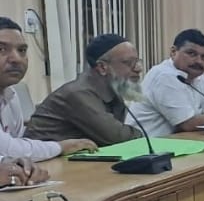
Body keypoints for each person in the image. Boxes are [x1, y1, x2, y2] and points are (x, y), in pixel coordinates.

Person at [0, 17, 96, 159]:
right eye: (1, 49)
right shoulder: (77, 93)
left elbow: (16, 149)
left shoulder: (11, 95)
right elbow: (10, 150)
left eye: (22, 50)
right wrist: (61, 147)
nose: (16, 59)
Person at [25, 33, 144, 146]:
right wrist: (141, 134)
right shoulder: (77, 94)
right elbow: (117, 137)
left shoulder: (113, 93)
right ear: (102, 67)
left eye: (137, 62)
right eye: (129, 63)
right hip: (42, 159)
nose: (138, 68)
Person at [125, 29, 204, 137]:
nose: (199, 61)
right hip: (145, 143)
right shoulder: (164, 76)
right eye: (192, 54)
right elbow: (187, 124)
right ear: (173, 52)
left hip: (176, 141)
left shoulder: (196, 75)